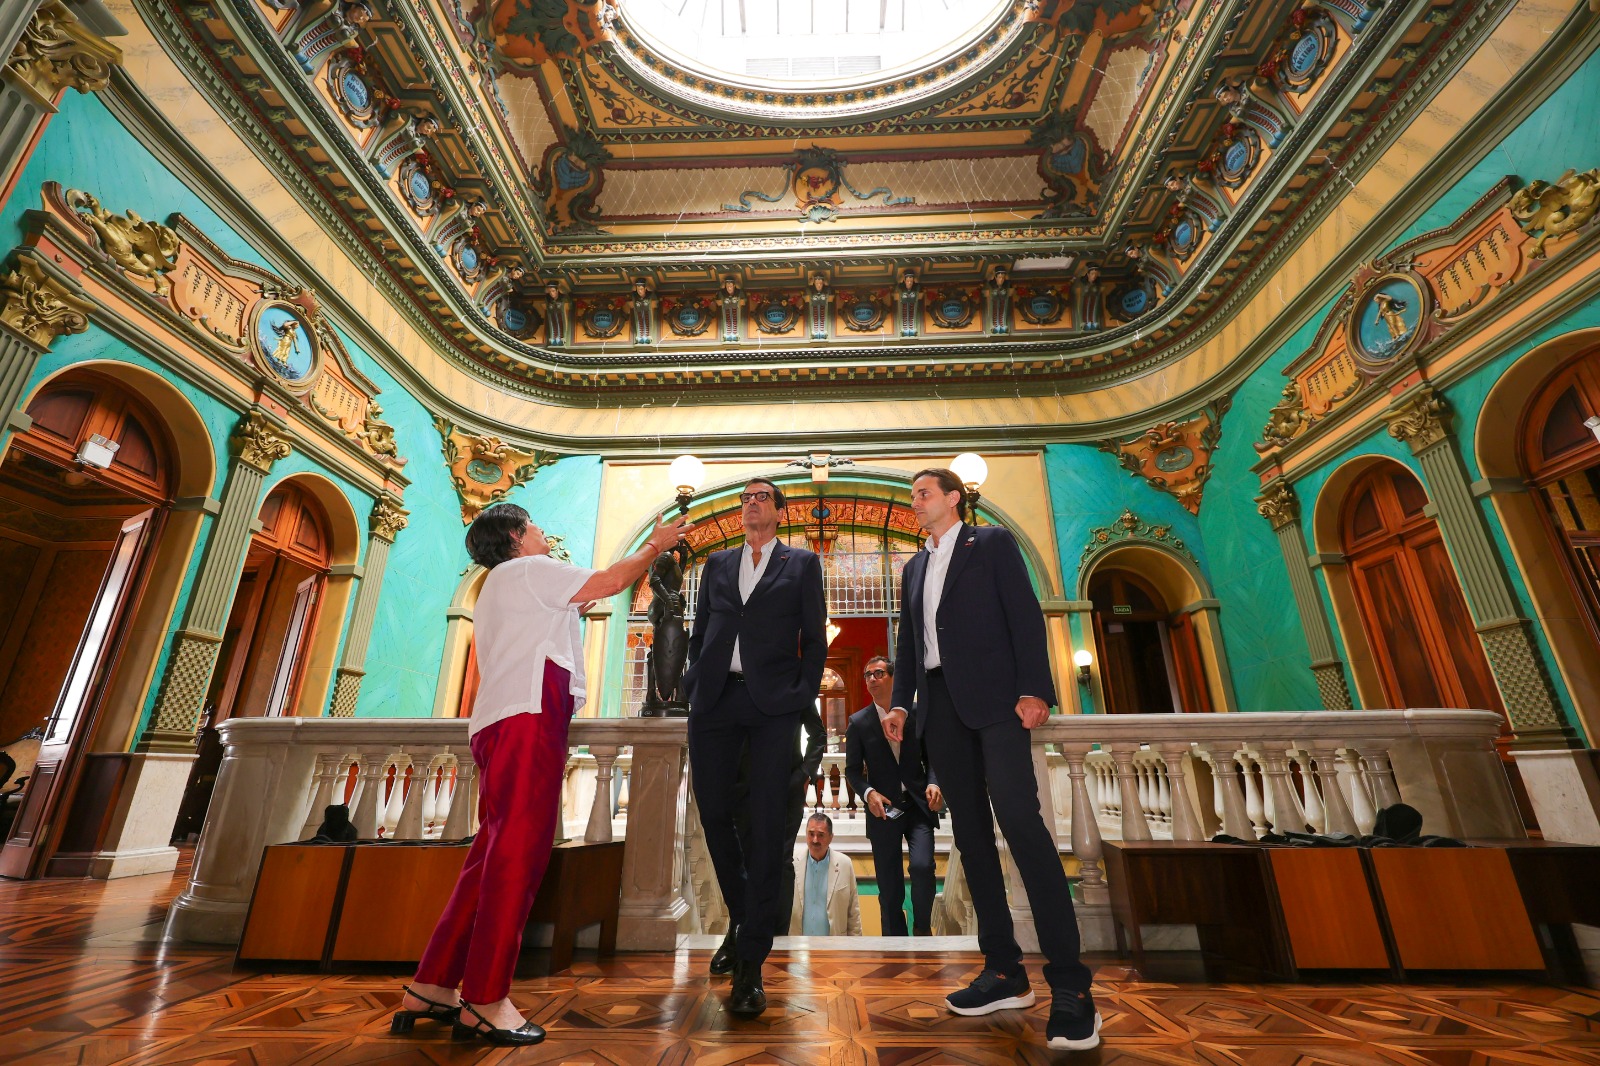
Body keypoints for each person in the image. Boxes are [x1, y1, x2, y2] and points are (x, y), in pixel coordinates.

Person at [395, 503, 688, 1047]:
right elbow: (609, 582)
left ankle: (432, 984)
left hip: (498, 723)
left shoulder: (498, 585)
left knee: (488, 858)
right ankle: (484, 998)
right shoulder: (528, 571)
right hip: (527, 721)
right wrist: (656, 545)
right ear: (514, 536)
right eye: (532, 525)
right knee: (518, 857)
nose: (542, 532)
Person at [886, 469, 1101, 1052]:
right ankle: (1005, 970)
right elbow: (909, 645)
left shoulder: (993, 544)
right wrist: (902, 704)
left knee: (1022, 829)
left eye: (924, 493)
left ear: (954, 498)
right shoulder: (912, 567)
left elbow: (1024, 617)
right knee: (973, 842)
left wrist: (1035, 688)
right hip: (941, 711)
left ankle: (1072, 987)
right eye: (913, 495)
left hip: (1000, 705)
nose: (915, 502)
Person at [684, 477, 827, 1017]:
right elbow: (700, 632)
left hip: (772, 709)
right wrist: (697, 679)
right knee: (716, 815)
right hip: (716, 703)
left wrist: (798, 695)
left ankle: (750, 962)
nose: (752, 503)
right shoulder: (717, 565)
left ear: (778, 511)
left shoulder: (802, 565)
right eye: (745, 497)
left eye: (762, 496)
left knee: (767, 826)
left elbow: (815, 639)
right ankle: (746, 918)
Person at [845, 656, 941, 936]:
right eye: (867, 675)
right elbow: (852, 772)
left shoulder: (915, 713)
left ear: (893, 678)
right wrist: (868, 793)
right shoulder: (859, 722)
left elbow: (932, 758)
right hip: (882, 811)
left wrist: (934, 783)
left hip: (917, 807)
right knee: (888, 885)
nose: (871, 679)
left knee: (923, 867)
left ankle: (922, 931)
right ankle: (894, 941)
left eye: (877, 673)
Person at [788, 812, 861, 936]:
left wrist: (855, 947)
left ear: (831, 837)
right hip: (798, 946)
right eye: (811, 834)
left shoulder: (844, 864)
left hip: (834, 947)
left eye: (821, 835)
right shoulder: (792, 862)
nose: (815, 840)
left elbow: (853, 912)